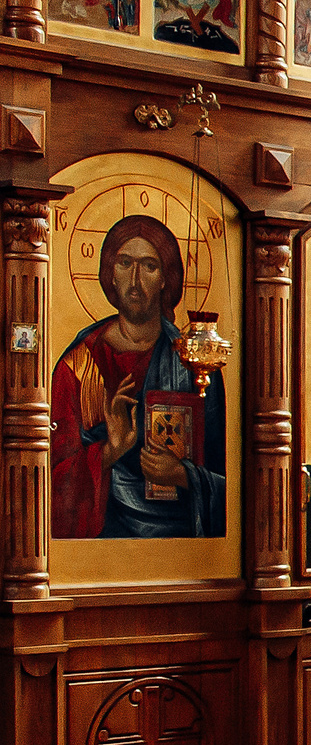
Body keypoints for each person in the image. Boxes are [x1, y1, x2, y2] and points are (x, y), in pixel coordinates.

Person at [48, 214, 226, 539]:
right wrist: (110, 451)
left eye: (148, 266)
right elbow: (50, 477)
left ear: (164, 278)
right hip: (101, 539)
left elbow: (231, 477)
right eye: (124, 263)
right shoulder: (79, 363)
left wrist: (183, 476)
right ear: (110, 274)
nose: (134, 281)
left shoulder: (194, 362)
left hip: (180, 544)